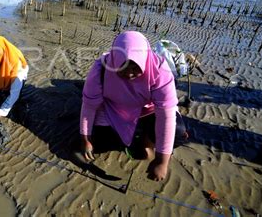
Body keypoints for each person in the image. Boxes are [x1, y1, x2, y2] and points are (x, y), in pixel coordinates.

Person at [80, 31, 187, 181]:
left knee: (178, 132)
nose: (129, 74)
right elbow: (89, 107)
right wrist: (86, 139)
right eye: (123, 67)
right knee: (100, 143)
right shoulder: (101, 69)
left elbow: (166, 116)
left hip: (148, 110)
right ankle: (128, 137)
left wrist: (162, 161)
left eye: (135, 67)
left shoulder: (160, 70)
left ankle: (146, 140)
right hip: (114, 109)